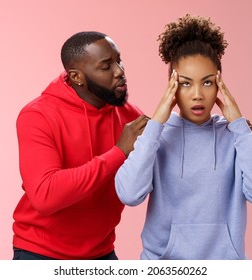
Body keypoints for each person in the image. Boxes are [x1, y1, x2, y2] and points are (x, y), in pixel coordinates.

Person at [115, 14, 252, 260]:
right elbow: (129, 194)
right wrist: (156, 125)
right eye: (185, 83)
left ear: (219, 85)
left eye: (206, 83)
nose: (196, 95)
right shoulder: (155, 137)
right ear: (171, 86)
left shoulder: (235, 136)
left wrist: (238, 125)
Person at [12, 31, 149, 260]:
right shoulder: (38, 115)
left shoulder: (130, 117)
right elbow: (45, 196)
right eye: (106, 66)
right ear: (77, 77)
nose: (120, 71)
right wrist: (118, 152)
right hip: (40, 255)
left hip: (102, 253)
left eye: (119, 60)